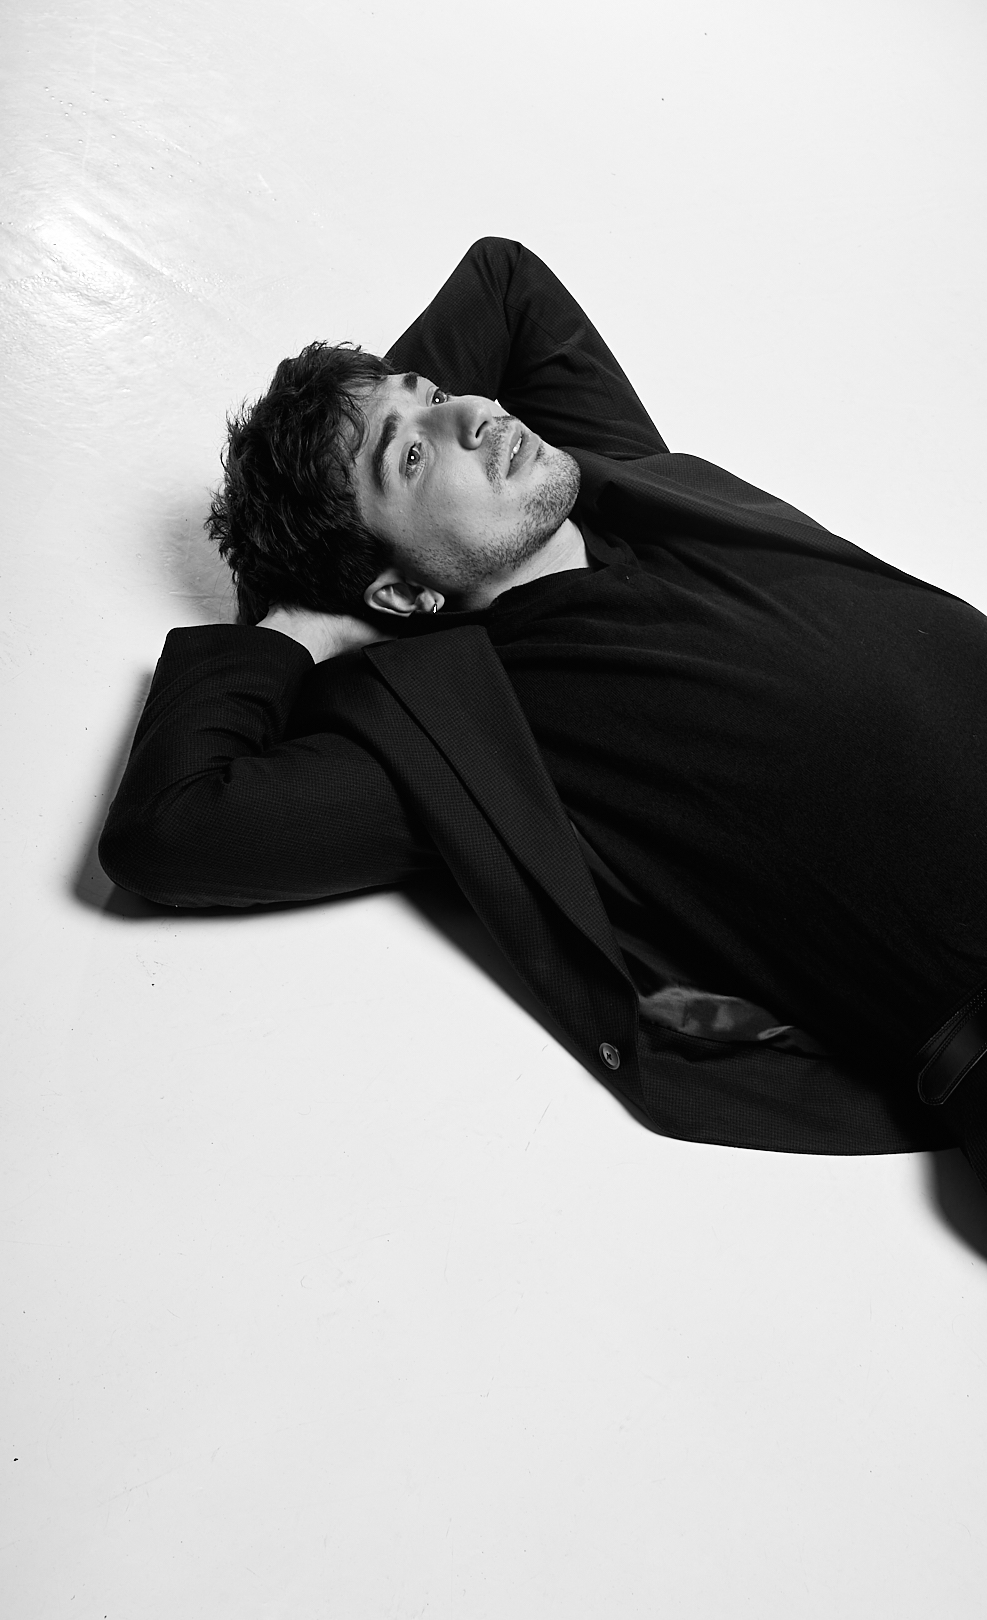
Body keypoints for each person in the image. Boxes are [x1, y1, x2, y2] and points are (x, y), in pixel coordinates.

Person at [98, 236, 987, 1191]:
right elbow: (167, 825)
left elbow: (505, 280)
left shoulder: (620, 482)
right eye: (411, 455)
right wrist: (305, 609)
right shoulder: (473, 736)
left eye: (436, 394)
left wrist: (375, 458)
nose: (473, 417)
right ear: (400, 597)